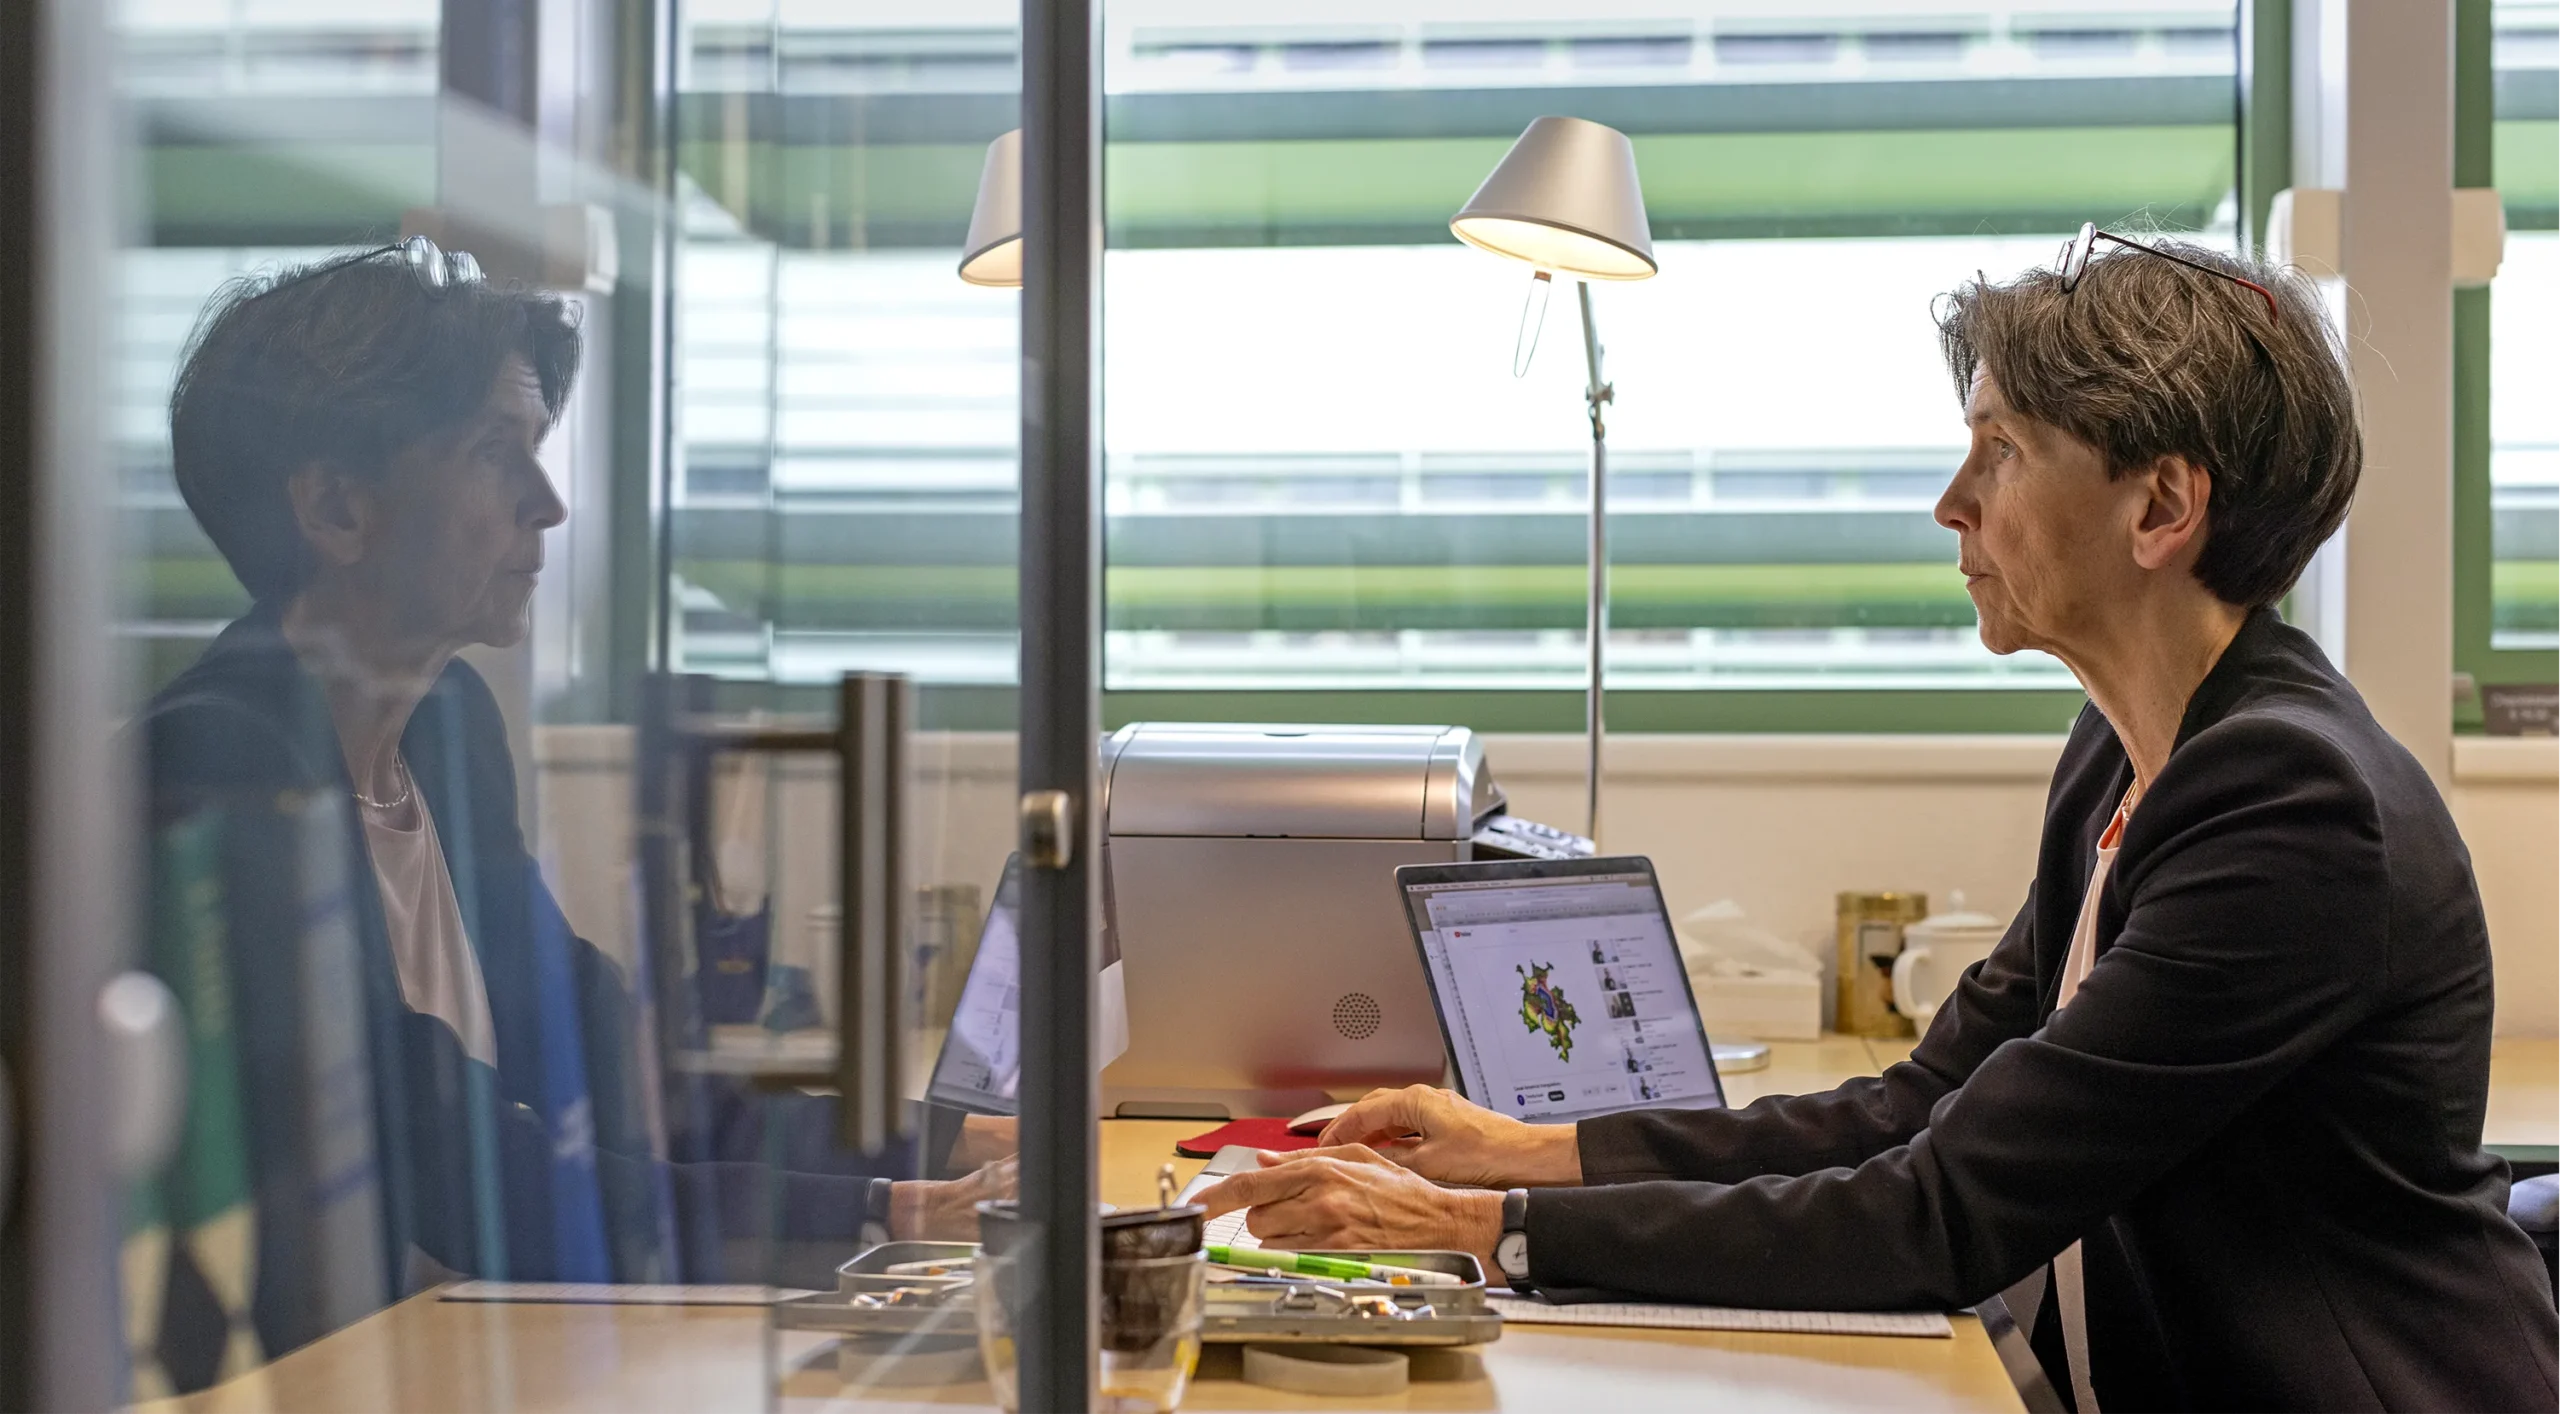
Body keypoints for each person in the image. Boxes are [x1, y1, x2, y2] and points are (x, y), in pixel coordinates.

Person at [1200, 234, 2560, 1410]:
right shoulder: (2133, 748)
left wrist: (1482, 1227)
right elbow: (1923, 1106)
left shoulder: (2294, 812)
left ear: (2161, 505)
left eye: (2002, 451)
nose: (1951, 503)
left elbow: (1943, 1207)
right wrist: (1528, 1149)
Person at [137, 238, 1012, 1377]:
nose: (548, 504)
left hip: (470, 1342)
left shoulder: (441, 722)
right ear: (337, 508)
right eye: (497, 455)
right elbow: (457, 1163)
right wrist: (886, 1212)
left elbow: (598, 1055)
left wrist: (940, 1140)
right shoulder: (221, 759)